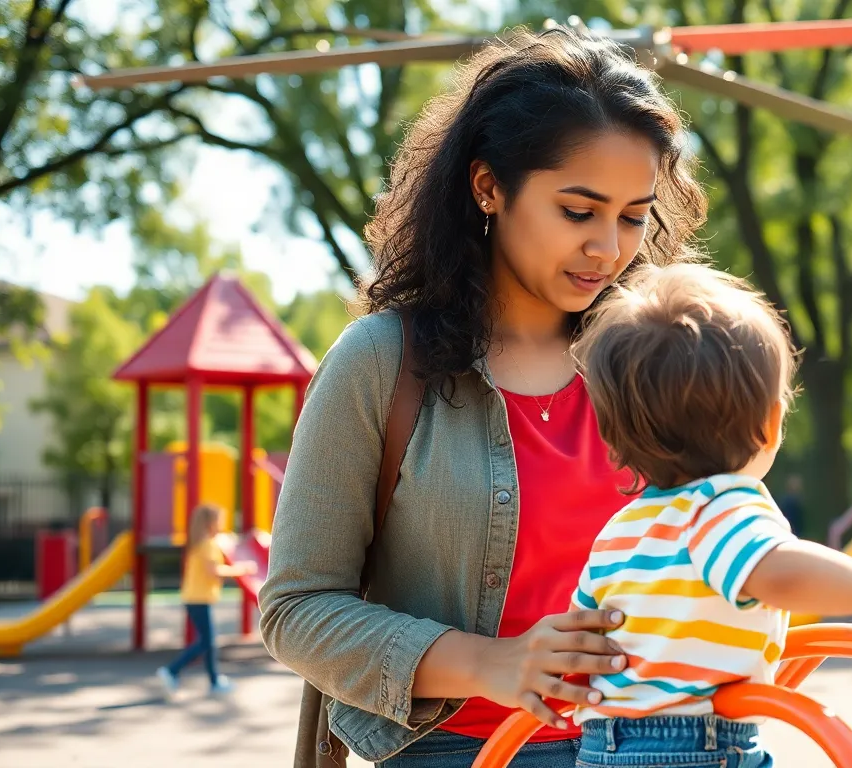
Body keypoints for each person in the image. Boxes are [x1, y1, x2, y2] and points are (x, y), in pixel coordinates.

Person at [259, 27, 710, 768]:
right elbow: (296, 609)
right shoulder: (380, 363)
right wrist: (486, 663)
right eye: (578, 210)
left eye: (633, 216)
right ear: (488, 186)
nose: (609, 247)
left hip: (661, 744)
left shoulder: (654, 363)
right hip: (457, 751)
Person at [566, 263, 852, 767]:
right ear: (771, 424)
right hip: (692, 746)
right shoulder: (721, 505)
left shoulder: (621, 531)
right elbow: (779, 572)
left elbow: (578, 641)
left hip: (602, 747)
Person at [156, 503, 257, 696]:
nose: (223, 524)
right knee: (206, 642)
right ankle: (172, 670)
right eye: (220, 521)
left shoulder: (199, 544)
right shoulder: (209, 546)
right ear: (211, 523)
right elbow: (215, 571)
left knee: (208, 642)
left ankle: (214, 681)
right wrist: (242, 570)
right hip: (199, 599)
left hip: (194, 597)